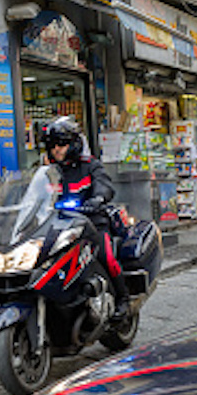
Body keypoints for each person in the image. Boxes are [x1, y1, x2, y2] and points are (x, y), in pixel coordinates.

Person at [42, 115, 129, 319]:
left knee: (105, 256)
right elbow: (35, 195)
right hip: (59, 228)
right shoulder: (48, 172)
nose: (57, 149)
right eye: (53, 145)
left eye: (62, 144)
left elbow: (104, 185)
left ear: (73, 144)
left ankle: (123, 299)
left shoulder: (90, 165)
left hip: (92, 224)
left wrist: (98, 198)